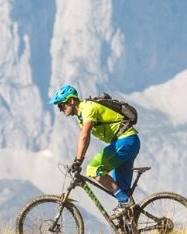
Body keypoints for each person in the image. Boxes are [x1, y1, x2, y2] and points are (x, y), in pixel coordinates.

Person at [50, 84, 139, 212]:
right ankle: (130, 228)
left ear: (70, 100)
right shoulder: (81, 114)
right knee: (121, 190)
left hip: (126, 141)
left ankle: (125, 202)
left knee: (93, 168)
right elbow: (84, 138)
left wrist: (78, 160)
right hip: (128, 142)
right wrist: (78, 159)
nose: (60, 109)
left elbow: (84, 136)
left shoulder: (87, 108)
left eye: (61, 105)